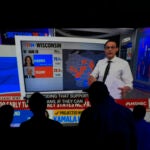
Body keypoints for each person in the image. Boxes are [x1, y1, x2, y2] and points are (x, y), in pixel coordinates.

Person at [79, 81, 137, 150]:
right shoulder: (127, 112)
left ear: (95, 95)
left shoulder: (89, 114)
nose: (89, 99)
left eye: (90, 95)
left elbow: (83, 141)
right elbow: (134, 141)